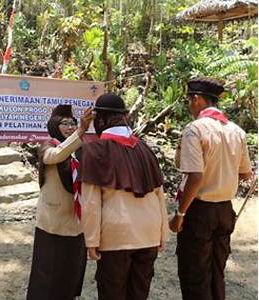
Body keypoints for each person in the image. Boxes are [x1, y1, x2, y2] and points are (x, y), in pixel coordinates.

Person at [170, 77, 253, 300]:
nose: (188, 106)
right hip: (225, 211)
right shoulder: (236, 131)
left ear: (196, 99)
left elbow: (195, 177)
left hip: (199, 211)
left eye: (189, 100)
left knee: (194, 275)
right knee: (216, 273)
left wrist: (180, 213)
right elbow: (246, 174)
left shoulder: (195, 130)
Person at [80, 93, 169, 300]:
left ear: (99, 119)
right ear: (124, 117)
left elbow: (91, 202)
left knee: (112, 293)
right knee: (139, 293)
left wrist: (91, 241)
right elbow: (159, 194)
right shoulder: (145, 149)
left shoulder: (93, 150)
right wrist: (162, 233)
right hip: (149, 233)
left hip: (116, 236)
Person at [26, 105, 94, 300]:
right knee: (47, 271)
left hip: (76, 220)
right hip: (53, 222)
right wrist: (81, 131)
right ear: (54, 125)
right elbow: (55, 156)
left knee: (71, 268)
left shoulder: (81, 148)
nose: (70, 127)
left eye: (73, 123)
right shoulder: (48, 145)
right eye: (64, 123)